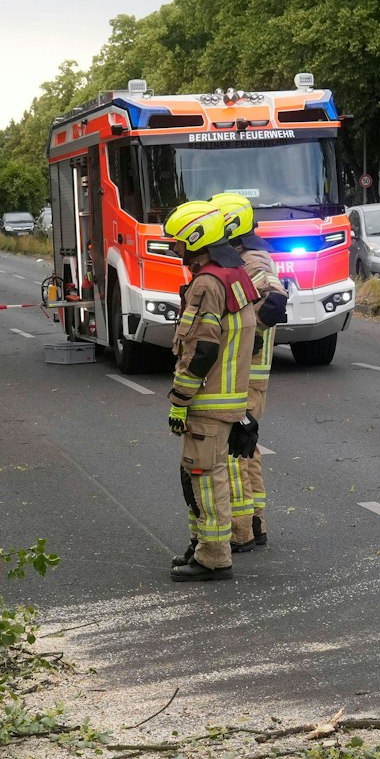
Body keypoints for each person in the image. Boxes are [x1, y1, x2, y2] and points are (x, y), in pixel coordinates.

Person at [162, 198, 260, 582]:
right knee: (204, 474)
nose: (175, 249)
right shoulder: (234, 275)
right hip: (231, 397)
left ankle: (213, 558)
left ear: (195, 239)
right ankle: (202, 547)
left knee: (203, 477)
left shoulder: (206, 284)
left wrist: (179, 400)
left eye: (177, 242)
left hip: (208, 402)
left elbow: (200, 349)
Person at [212, 192, 288, 551]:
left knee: (233, 452)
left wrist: (248, 334)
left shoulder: (252, 261)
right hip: (249, 375)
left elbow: (275, 298)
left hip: (245, 376)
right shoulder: (247, 256)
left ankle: (240, 531)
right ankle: (255, 523)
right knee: (246, 449)